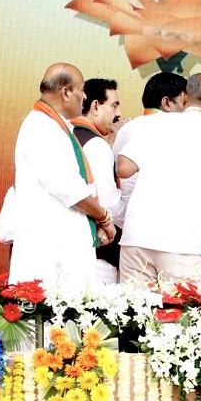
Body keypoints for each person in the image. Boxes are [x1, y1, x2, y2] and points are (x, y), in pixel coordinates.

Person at [116, 73, 201, 284]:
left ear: (185, 97)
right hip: (183, 246)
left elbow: (123, 169)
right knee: (178, 314)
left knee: (133, 312)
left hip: (138, 238)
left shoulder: (153, 125)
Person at [8, 63, 116, 287]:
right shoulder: (42, 127)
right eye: (82, 89)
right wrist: (103, 217)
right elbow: (71, 190)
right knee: (52, 320)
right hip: (50, 250)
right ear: (66, 92)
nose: (85, 96)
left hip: (61, 245)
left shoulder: (55, 125)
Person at [111, 72, 188, 222]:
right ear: (166, 103)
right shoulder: (161, 130)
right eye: (185, 104)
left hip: (127, 220)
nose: (187, 112)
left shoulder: (131, 126)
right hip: (148, 221)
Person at [71, 78, 124, 284]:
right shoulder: (96, 144)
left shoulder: (65, 134)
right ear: (94, 106)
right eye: (114, 105)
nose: (118, 114)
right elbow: (109, 204)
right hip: (96, 255)